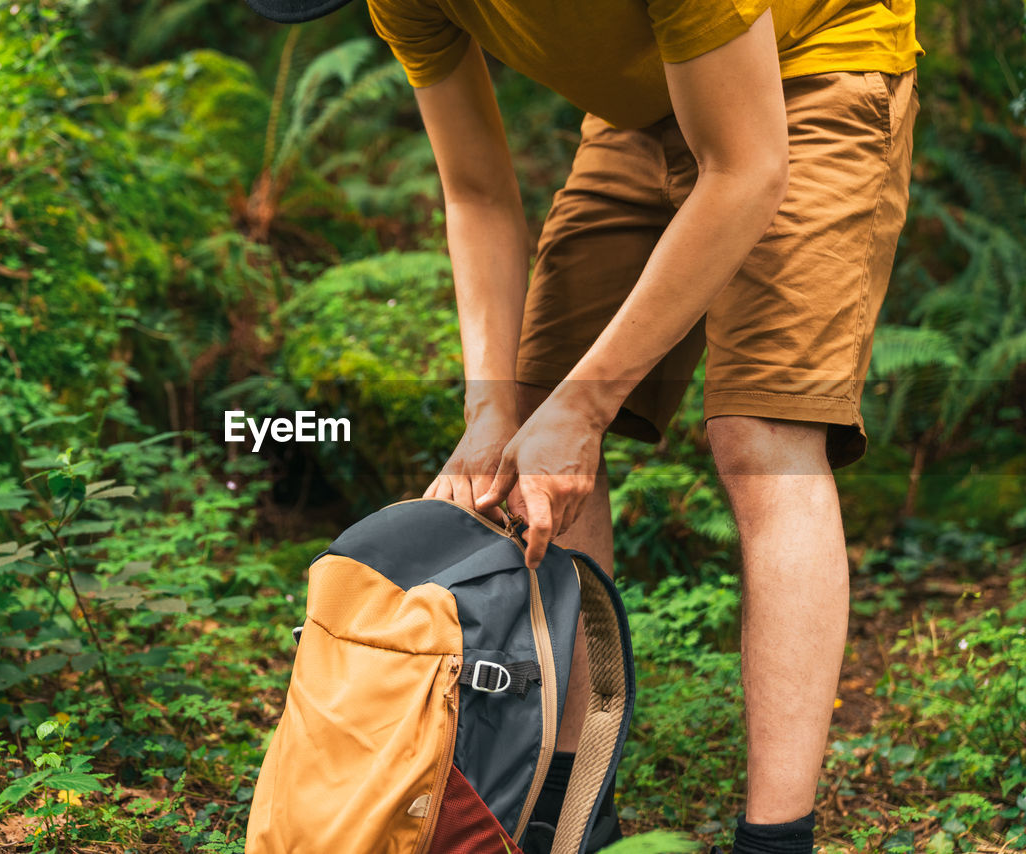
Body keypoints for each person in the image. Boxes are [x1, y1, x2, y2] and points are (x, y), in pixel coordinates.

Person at [243, 0, 921, 851]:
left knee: (760, 440)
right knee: (531, 421)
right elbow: (478, 191)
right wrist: (492, 409)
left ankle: (775, 839)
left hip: (812, 70)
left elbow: (746, 167)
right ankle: (564, 812)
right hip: (643, 106)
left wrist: (587, 406)